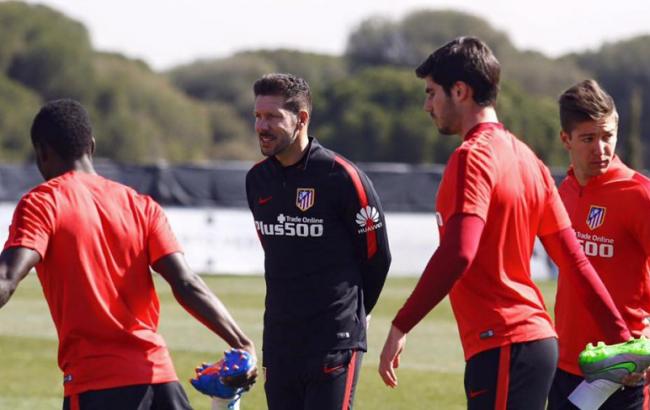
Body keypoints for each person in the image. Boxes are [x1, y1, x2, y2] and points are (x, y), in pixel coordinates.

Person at [378, 37, 631, 410]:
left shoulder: (471, 157)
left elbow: (459, 252)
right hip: (533, 344)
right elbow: (575, 262)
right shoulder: (529, 160)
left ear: (460, 91)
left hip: (504, 345)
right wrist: (622, 338)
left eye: (432, 93)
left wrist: (402, 324)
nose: (427, 105)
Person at [0, 99, 257, 409]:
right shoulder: (140, 204)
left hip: (97, 384)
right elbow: (186, 282)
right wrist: (242, 343)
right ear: (91, 146)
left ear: (42, 152)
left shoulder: (42, 202)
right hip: (160, 381)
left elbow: (7, 278)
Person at [246, 73, 391, 410]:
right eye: (258, 116)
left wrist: (356, 312)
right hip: (279, 342)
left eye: (272, 117)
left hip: (333, 341)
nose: (262, 126)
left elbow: (377, 256)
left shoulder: (342, 177)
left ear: (301, 119)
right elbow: (277, 251)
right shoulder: (257, 179)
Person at [547, 79, 650, 409]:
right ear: (566, 139)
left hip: (624, 370)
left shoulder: (638, 194)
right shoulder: (562, 193)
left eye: (607, 136)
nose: (601, 148)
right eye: (588, 139)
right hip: (566, 364)